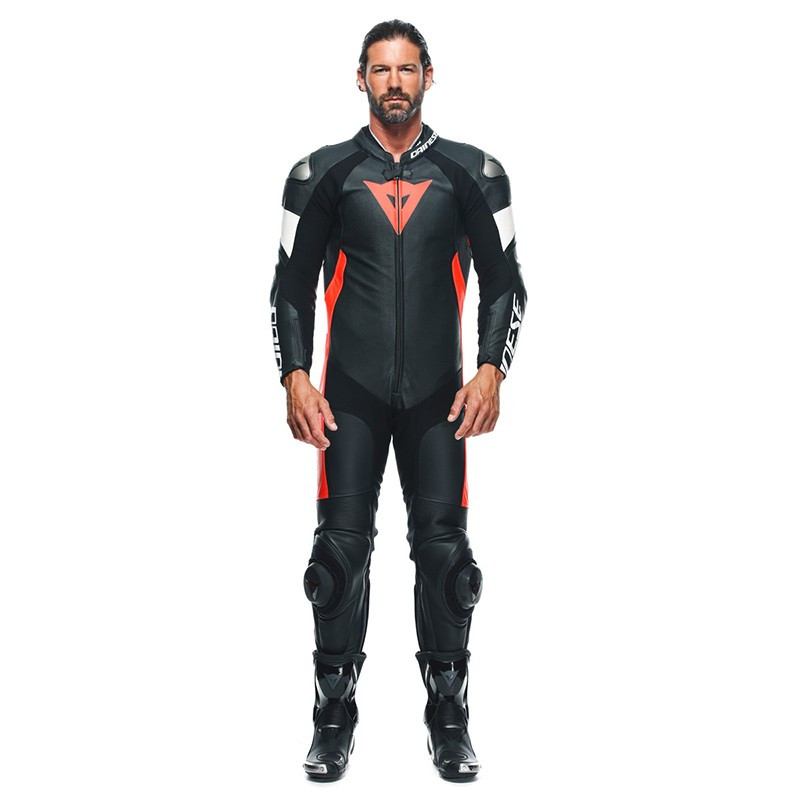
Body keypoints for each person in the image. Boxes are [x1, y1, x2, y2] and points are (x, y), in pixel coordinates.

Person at [269, 19, 526, 781]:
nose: (393, 82)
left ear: (428, 76)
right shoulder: (320, 173)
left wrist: (491, 370)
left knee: (449, 563)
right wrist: (293, 376)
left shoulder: (474, 173)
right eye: (380, 70)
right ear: (360, 79)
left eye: (406, 69)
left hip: (439, 402)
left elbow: (506, 283)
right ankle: (332, 719)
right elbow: (289, 287)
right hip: (346, 399)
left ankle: (449, 720)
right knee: (335, 561)